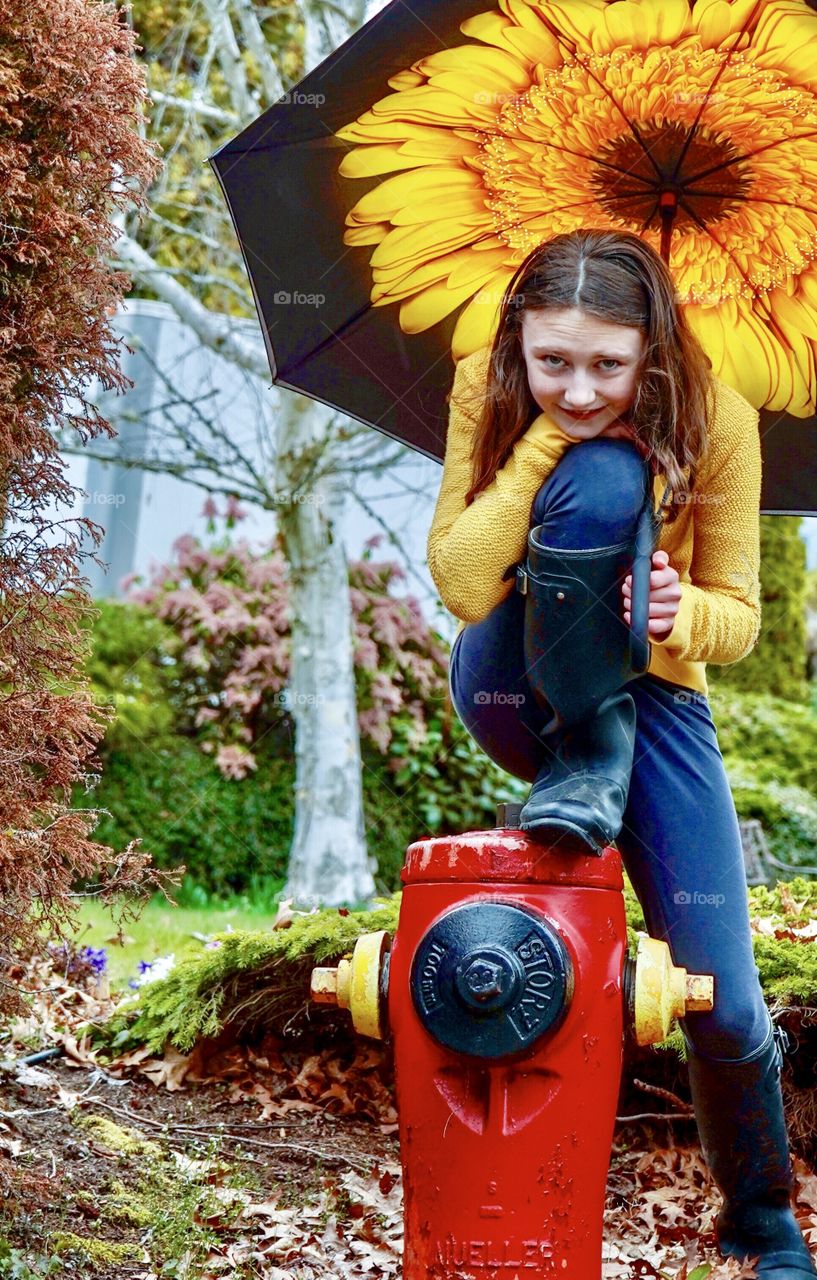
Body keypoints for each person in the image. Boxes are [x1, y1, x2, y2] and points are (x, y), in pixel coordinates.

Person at [426, 228, 816, 1277]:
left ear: (653, 347)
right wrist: (543, 446)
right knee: (596, 469)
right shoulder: (490, 384)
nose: (580, 385)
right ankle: (583, 754)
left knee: (723, 999)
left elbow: (740, 614)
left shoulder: (716, 413)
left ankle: (762, 1217)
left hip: (654, 697)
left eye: (610, 363)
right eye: (553, 360)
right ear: (520, 340)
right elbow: (462, 584)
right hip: (515, 675)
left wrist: (684, 612)